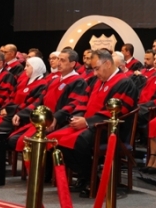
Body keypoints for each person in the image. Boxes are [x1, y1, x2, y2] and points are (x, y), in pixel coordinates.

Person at [49, 49, 137, 196]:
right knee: (55, 139)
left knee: (79, 141)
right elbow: (82, 102)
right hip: (89, 125)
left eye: (97, 68)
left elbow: (118, 112)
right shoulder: (97, 81)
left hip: (109, 128)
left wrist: (87, 122)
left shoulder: (125, 82)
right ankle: (85, 176)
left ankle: (92, 181)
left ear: (107, 63)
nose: (95, 73)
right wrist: (77, 117)